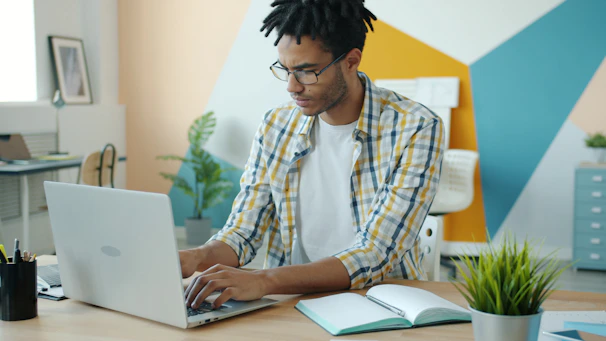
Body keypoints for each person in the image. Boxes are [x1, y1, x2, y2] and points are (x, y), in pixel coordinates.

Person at [181, 0, 444, 310]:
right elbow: (244, 230)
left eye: (306, 72)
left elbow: (375, 253)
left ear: (351, 61)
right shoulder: (276, 125)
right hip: (291, 302)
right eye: (285, 69)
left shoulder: (415, 127)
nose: (292, 87)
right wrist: (196, 257)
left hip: (382, 303)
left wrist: (264, 280)